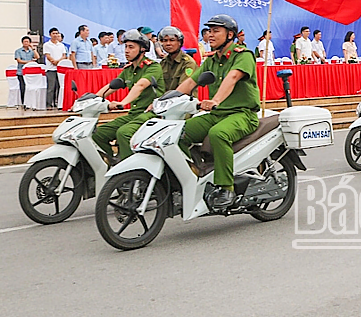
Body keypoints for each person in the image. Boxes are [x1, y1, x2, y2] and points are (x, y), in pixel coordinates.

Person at [175, 14, 260, 209]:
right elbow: (190, 82)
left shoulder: (243, 55)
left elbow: (232, 78)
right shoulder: (211, 61)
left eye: (215, 31)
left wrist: (215, 100)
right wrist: (163, 101)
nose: (210, 35)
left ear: (230, 34)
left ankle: (226, 188)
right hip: (217, 114)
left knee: (218, 135)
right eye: (208, 31)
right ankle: (194, 174)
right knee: (178, 133)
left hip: (242, 114)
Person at [91, 30, 165, 163]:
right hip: (134, 115)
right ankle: (109, 164)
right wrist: (92, 99)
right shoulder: (128, 70)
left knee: (123, 133)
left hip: (151, 114)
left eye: (131, 47)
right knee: (98, 134)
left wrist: (122, 103)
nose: (126, 51)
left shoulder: (153, 67)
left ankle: (129, 173)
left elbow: (140, 86)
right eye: (126, 47)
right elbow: (112, 86)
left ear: (142, 49)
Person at [157, 26, 199, 91]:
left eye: (172, 40)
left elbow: (184, 88)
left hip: (184, 99)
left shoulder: (188, 63)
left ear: (179, 42)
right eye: (165, 40)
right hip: (165, 99)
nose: (168, 43)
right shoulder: (163, 62)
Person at [43, 28, 67, 108]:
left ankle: (57, 103)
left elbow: (64, 55)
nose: (55, 35)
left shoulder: (61, 45)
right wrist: (54, 61)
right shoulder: (47, 45)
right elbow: (48, 55)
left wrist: (59, 62)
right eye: (54, 33)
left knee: (59, 87)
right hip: (51, 68)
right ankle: (49, 104)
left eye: (57, 33)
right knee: (51, 87)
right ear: (50, 35)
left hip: (60, 69)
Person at [14, 36, 38, 103]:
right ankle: (23, 102)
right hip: (21, 72)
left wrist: (33, 48)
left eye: (27, 42)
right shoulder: (18, 51)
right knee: (23, 87)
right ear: (22, 42)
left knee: (30, 87)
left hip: (30, 73)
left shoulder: (31, 51)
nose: (26, 43)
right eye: (25, 42)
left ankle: (29, 101)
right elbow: (19, 60)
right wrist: (29, 62)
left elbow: (37, 57)